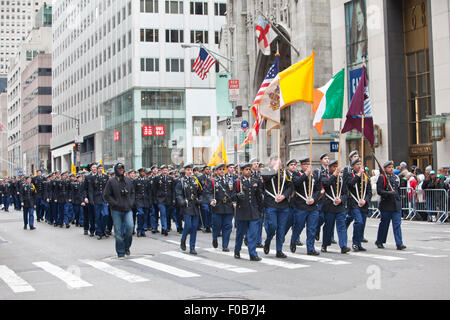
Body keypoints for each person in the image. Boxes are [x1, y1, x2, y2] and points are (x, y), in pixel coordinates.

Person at [261, 154, 293, 258]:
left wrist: (284, 196)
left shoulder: (285, 173)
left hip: (283, 204)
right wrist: (274, 168)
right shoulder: (267, 170)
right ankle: (268, 240)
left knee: (281, 228)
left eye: (278, 159)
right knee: (272, 226)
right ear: (271, 161)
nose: (278, 161)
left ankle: (279, 250)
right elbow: (266, 178)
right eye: (275, 160)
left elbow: (290, 187)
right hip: (271, 203)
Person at [103, 163, 136, 259]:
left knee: (130, 227)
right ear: (116, 170)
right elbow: (106, 195)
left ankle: (127, 246)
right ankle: (120, 251)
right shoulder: (111, 181)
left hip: (128, 208)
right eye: (119, 169)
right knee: (118, 231)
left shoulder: (128, 181)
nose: (121, 170)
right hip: (116, 210)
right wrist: (114, 203)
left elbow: (133, 193)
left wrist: (131, 202)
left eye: (122, 168)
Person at [290, 157, 321, 256]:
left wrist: (314, 199)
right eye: (305, 164)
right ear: (301, 165)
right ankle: (294, 240)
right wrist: (306, 174)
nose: (307, 166)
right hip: (301, 205)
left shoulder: (314, 176)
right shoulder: (296, 174)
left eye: (308, 164)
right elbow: (297, 183)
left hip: (312, 206)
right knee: (298, 226)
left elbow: (318, 190)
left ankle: (310, 248)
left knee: (312, 228)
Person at [233, 163, 263, 261]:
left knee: (253, 234)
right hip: (242, 211)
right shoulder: (238, 182)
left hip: (253, 211)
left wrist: (261, 209)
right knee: (240, 234)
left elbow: (259, 196)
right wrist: (237, 195)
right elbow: (231, 196)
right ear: (242, 170)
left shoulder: (255, 181)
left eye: (249, 169)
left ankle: (252, 254)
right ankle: (237, 250)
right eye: (246, 169)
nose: (248, 171)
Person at [320, 160, 351, 254]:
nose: (335, 168)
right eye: (333, 167)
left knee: (342, 226)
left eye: (336, 166)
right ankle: (325, 244)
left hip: (340, 206)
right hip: (329, 206)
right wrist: (334, 175)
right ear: (329, 168)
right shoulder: (325, 176)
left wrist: (341, 199)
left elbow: (346, 193)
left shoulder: (341, 179)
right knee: (328, 226)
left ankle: (343, 245)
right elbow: (326, 184)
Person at [375, 161, 406, 250]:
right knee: (384, 224)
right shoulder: (382, 178)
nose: (391, 169)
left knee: (397, 224)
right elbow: (379, 191)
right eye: (389, 167)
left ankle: (399, 243)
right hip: (386, 204)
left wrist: (399, 199)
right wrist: (388, 193)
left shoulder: (396, 177)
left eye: (392, 167)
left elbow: (398, 190)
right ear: (384, 169)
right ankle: (380, 241)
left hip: (396, 204)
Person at [208, 163, 236, 252]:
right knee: (217, 225)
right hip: (218, 207)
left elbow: (233, 192)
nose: (222, 171)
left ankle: (225, 245)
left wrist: (234, 201)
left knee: (228, 226)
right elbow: (208, 193)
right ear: (216, 171)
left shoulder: (230, 180)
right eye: (220, 170)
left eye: (223, 169)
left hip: (228, 207)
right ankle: (215, 237)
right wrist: (211, 200)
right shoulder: (213, 181)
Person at [346, 158, 372, 252]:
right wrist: (358, 174)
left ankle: (358, 243)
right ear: (353, 166)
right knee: (359, 222)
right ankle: (355, 243)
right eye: (357, 164)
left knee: (362, 224)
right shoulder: (350, 175)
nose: (359, 166)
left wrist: (365, 200)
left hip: (363, 204)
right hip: (354, 203)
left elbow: (369, 191)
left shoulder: (366, 176)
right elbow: (350, 184)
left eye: (360, 164)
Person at [176, 163, 203, 255]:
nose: (190, 172)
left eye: (191, 170)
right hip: (186, 206)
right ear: (184, 170)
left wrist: (200, 200)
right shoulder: (182, 181)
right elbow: (178, 194)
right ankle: (183, 239)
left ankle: (192, 247)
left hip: (195, 206)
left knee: (194, 227)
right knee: (189, 225)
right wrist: (182, 201)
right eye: (188, 170)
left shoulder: (196, 181)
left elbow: (201, 193)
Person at [153, 165, 176, 236]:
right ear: (161, 171)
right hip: (160, 199)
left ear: (168, 171)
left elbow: (173, 190)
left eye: (166, 170)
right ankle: (164, 227)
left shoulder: (171, 178)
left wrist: (174, 199)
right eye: (163, 170)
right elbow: (154, 190)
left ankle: (164, 228)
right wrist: (155, 199)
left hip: (169, 199)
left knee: (167, 214)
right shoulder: (157, 178)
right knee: (163, 213)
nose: (165, 171)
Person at [89, 164, 110, 239]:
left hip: (104, 199)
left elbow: (108, 189)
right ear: (97, 169)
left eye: (102, 168)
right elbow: (91, 190)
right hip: (96, 199)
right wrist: (91, 200)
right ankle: (99, 232)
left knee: (105, 214)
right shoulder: (93, 178)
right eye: (99, 168)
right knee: (98, 216)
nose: (100, 170)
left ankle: (103, 229)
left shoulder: (106, 177)